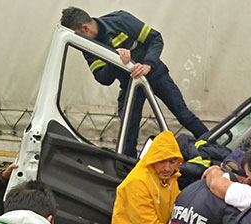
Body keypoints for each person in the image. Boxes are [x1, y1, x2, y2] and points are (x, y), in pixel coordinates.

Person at [60, 7, 208, 157]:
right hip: (130, 85)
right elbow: (103, 78)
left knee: (183, 115)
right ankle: (126, 169)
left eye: (77, 36)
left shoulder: (120, 20)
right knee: (128, 131)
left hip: (155, 74)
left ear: (85, 28)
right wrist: (115, 60)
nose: (78, 41)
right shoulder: (87, 46)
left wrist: (148, 65)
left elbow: (155, 38)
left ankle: (213, 149)